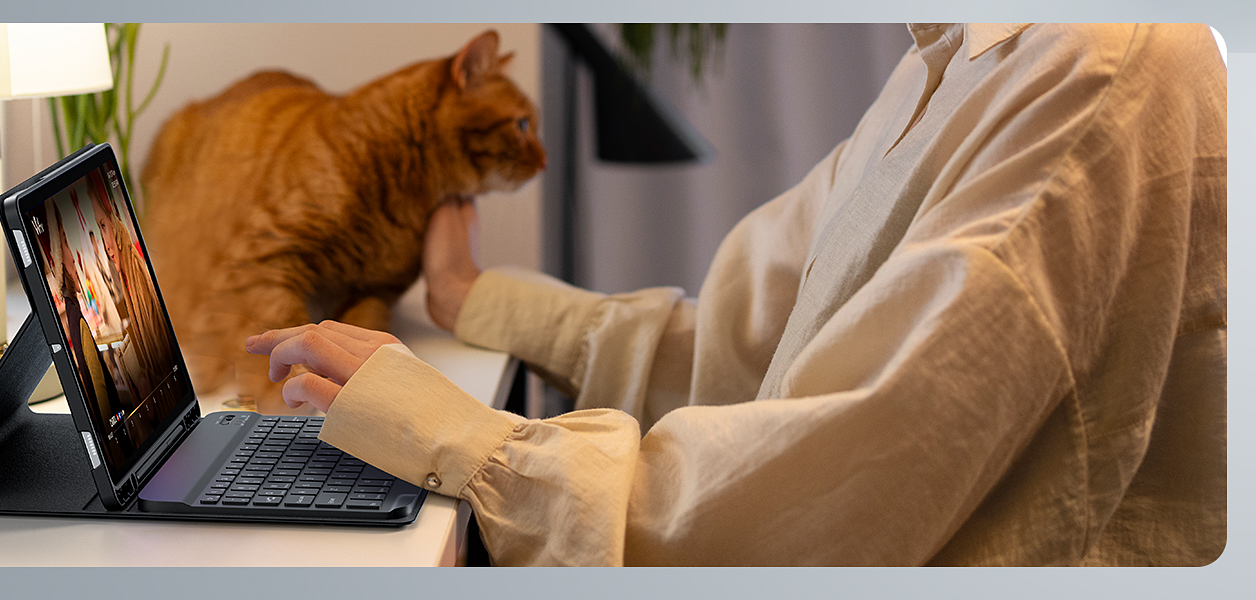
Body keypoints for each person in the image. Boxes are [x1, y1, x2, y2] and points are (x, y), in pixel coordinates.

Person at [244, 24, 1225, 566]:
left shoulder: (1096, 70)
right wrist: (471, 300)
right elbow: (745, 343)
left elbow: (839, 484)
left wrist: (467, 439)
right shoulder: (951, 57)